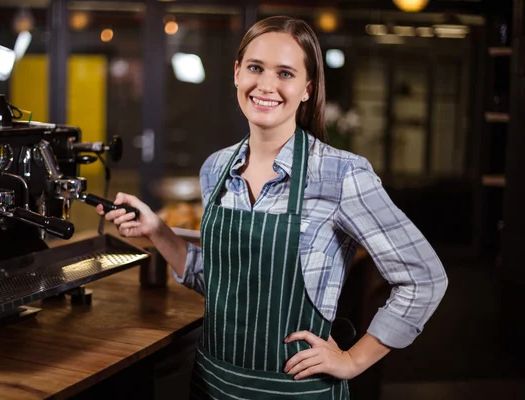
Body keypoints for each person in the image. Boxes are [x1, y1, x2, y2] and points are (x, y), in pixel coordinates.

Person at [98, 15, 448, 399]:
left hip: (297, 393)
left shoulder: (341, 174)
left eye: (285, 73)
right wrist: (158, 231)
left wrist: (353, 361)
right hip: (213, 385)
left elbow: (424, 278)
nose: (266, 85)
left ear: (307, 89)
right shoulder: (216, 168)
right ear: (236, 74)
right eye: (255, 68)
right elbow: (220, 286)